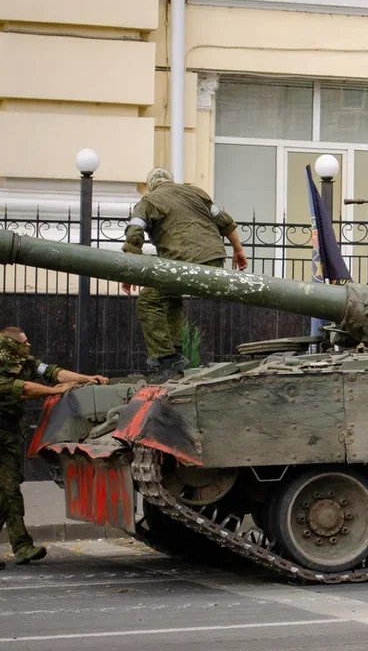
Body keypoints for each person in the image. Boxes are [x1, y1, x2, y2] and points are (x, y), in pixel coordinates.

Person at [121, 168, 248, 381]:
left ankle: (165, 357)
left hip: (182, 264)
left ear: (152, 185)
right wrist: (238, 250)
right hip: (213, 260)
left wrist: (129, 273)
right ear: (171, 181)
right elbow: (224, 222)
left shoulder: (149, 201)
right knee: (170, 296)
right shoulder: (196, 193)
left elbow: (134, 235)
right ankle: (175, 352)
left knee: (148, 301)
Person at [0, 327, 108, 566]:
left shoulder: (22, 360)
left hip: (7, 434)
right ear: (9, 345)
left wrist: (84, 379)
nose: (28, 345)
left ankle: (21, 547)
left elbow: (51, 372)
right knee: (8, 492)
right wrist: (54, 392)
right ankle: (22, 546)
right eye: (23, 342)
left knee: (8, 491)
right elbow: (21, 389)